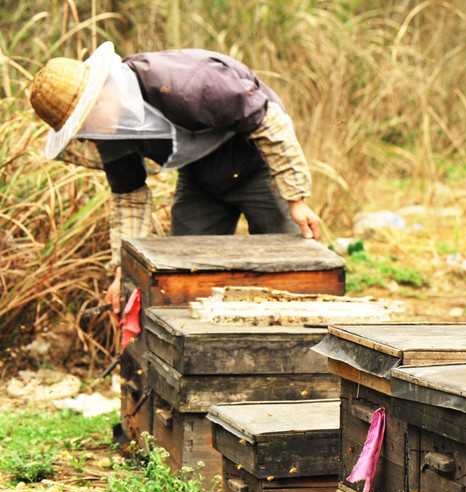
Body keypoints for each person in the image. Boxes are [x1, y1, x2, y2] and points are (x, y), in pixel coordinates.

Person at [27, 42, 323, 309]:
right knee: (184, 276)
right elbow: (130, 200)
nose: (83, 138)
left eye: (82, 127)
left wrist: (295, 197)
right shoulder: (109, 130)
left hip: (257, 165)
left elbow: (269, 121)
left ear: (99, 98)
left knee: (292, 271)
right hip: (198, 180)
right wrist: (124, 270)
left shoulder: (186, 85)